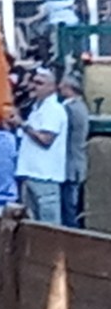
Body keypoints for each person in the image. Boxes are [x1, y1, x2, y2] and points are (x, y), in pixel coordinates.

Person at [11, 68, 68, 224]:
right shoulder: (37, 108)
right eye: (34, 82)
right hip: (31, 173)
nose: (34, 86)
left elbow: (46, 139)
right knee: (32, 223)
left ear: (52, 87)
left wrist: (23, 125)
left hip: (45, 176)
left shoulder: (54, 110)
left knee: (49, 225)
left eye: (40, 83)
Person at [59, 75, 89, 228]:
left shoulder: (70, 109)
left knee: (69, 208)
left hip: (71, 165)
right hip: (76, 162)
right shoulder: (81, 106)